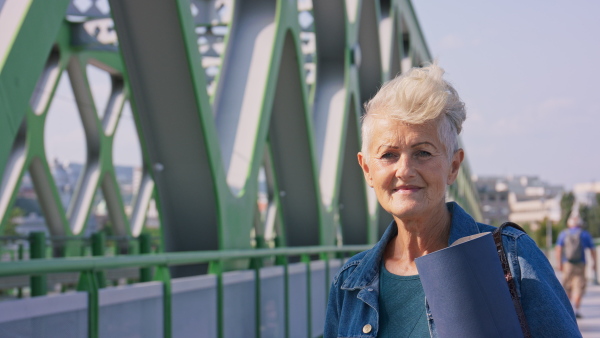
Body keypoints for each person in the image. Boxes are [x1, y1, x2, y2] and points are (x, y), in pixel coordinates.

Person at [324, 63, 580, 337]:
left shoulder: (511, 257)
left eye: (423, 152)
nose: (405, 170)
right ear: (367, 169)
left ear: (453, 166)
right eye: (389, 155)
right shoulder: (349, 283)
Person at [556, 216, 598, 318]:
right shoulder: (584, 234)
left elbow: (558, 249)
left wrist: (559, 263)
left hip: (567, 264)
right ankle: (577, 310)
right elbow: (593, 250)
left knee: (567, 287)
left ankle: (567, 310)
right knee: (579, 287)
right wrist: (595, 263)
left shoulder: (564, 234)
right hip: (580, 264)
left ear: (569, 224)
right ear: (579, 224)